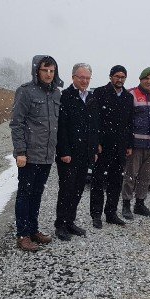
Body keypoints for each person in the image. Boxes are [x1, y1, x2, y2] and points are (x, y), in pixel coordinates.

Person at [10, 55, 63, 252]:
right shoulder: (25, 92)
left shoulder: (56, 94)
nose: (49, 74)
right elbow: (17, 123)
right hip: (30, 155)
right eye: (45, 70)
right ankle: (22, 235)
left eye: (52, 71)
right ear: (37, 71)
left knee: (37, 194)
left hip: (47, 155)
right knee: (25, 194)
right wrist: (20, 152)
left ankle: (33, 230)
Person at [54, 63, 99, 241]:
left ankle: (70, 221)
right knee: (66, 189)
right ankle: (60, 224)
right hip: (68, 153)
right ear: (73, 77)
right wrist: (64, 151)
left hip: (85, 153)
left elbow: (95, 125)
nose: (84, 81)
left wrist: (94, 149)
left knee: (78, 188)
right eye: (81, 77)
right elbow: (61, 127)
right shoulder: (65, 96)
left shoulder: (91, 98)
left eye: (87, 78)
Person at [89, 65, 134, 229]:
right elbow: (94, 120)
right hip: (104, 145)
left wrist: (129, 144)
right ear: (110, 77)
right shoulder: (100, 93)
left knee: (116, 181)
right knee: (98, 180)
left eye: (122, 77)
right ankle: (96, 215)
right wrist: (96, 142)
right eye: (117, 76)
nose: (119, 79)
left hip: (120, 147)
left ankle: (111, 213)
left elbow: (130, 123)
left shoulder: (128, 98)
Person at [121, 66, 150, 219]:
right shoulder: (131, 94)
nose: (149, 81)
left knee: (147, 177)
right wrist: (128, 143)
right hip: (136, 145)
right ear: (141, 79)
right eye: (146, 78)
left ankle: (140, 204)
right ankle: (126, 204)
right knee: (130, 176)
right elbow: (126, 120)